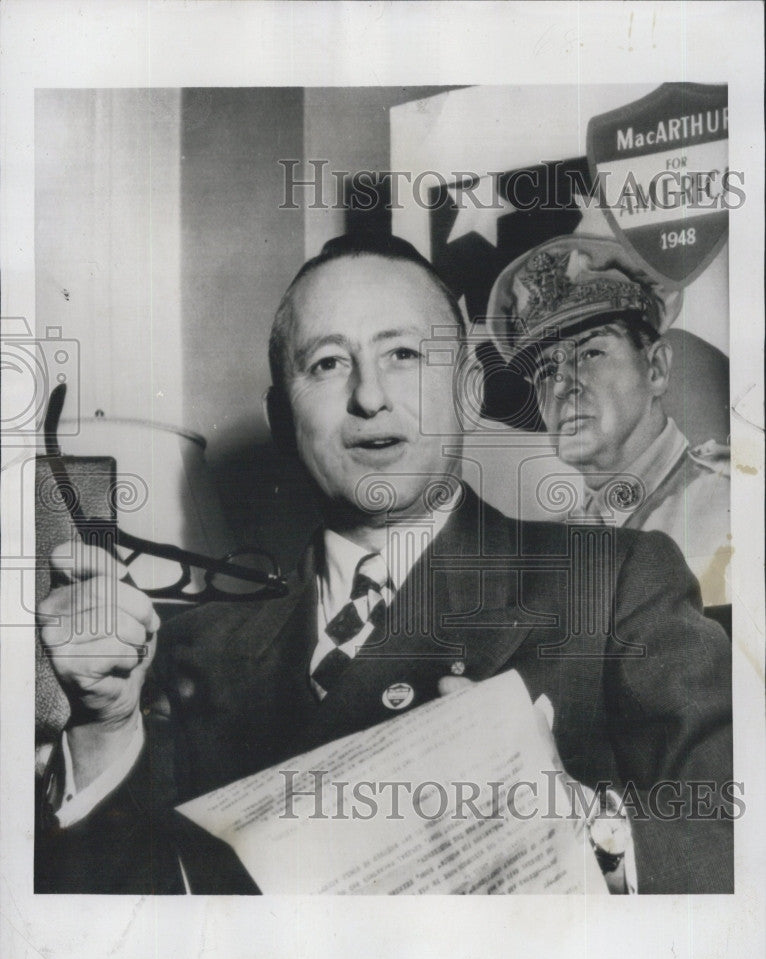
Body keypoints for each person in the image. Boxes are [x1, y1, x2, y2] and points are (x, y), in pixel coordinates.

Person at [36, 234, 733, 895]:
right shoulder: (186, 652)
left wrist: (586, 827)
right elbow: (108, 933)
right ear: (284, 419)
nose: (369, 396)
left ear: (466, 389)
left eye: (402, 354)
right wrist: (102, 734)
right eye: (328, 363)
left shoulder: (613, 582)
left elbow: (733, 835)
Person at [486, 234, 731, 606]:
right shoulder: (543, 554)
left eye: (590, 353)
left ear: (656, 368)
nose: (562, 386)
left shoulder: (730, 506)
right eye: (545, 370)